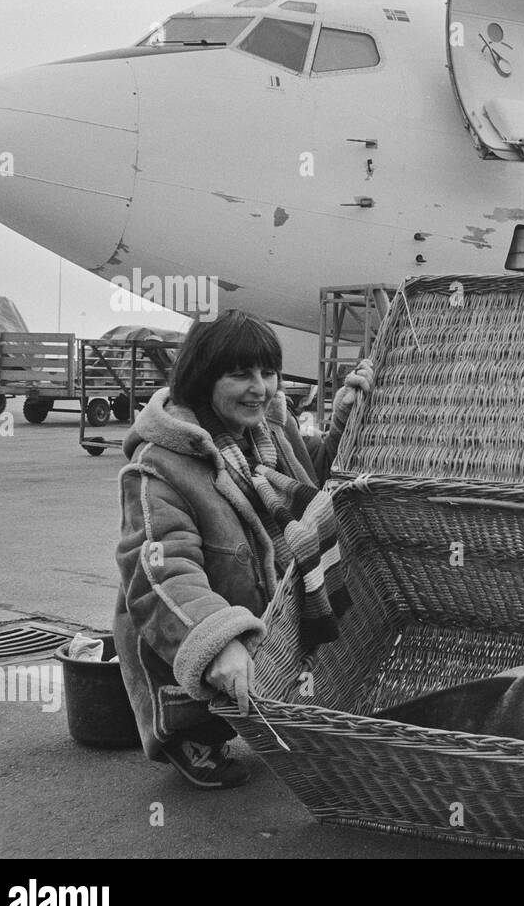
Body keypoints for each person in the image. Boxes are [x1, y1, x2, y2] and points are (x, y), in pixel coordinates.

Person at [113, 310, 374, 789]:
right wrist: (219, 643)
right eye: (240, 374)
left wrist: (339, 426)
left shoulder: (269, 430)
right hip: (185, 612)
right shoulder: (158, 466)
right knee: (208, 680)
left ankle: (260, 685)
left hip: (262, 592)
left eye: (267, 372)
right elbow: (162, 572)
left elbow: (308, 485)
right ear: (202, 378)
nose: (261, 387)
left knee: (265, 678)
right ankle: (188, 734)